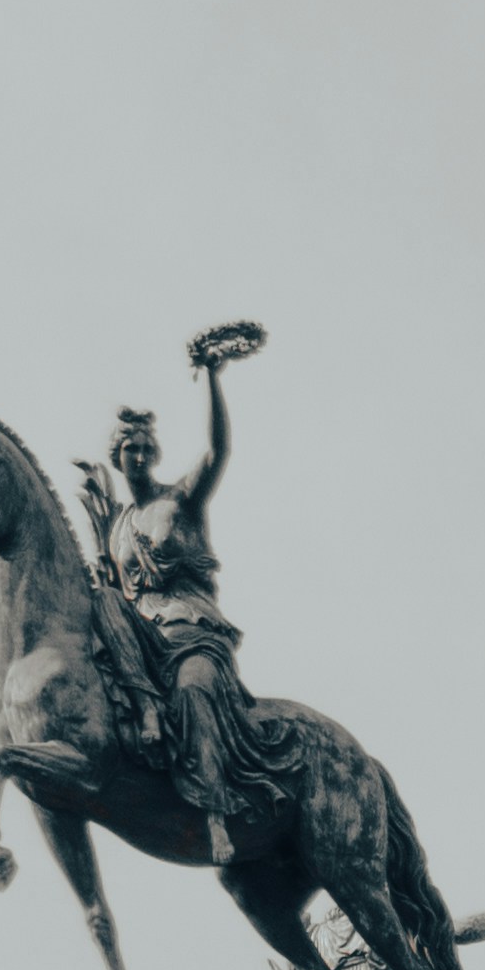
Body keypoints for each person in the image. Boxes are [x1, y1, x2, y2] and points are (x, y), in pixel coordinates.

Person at [77, 330, 287, 864]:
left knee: (194, 692)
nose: (139, 454)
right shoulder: (118, 524)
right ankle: (146, 711)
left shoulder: (181, 499)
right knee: (103, 602)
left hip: (192, 634)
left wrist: (210, 377)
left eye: (147, 446)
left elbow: (219, 449)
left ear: (156, 453)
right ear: (118, 457)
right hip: (143, 642)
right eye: (130, 447)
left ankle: (216, 813)